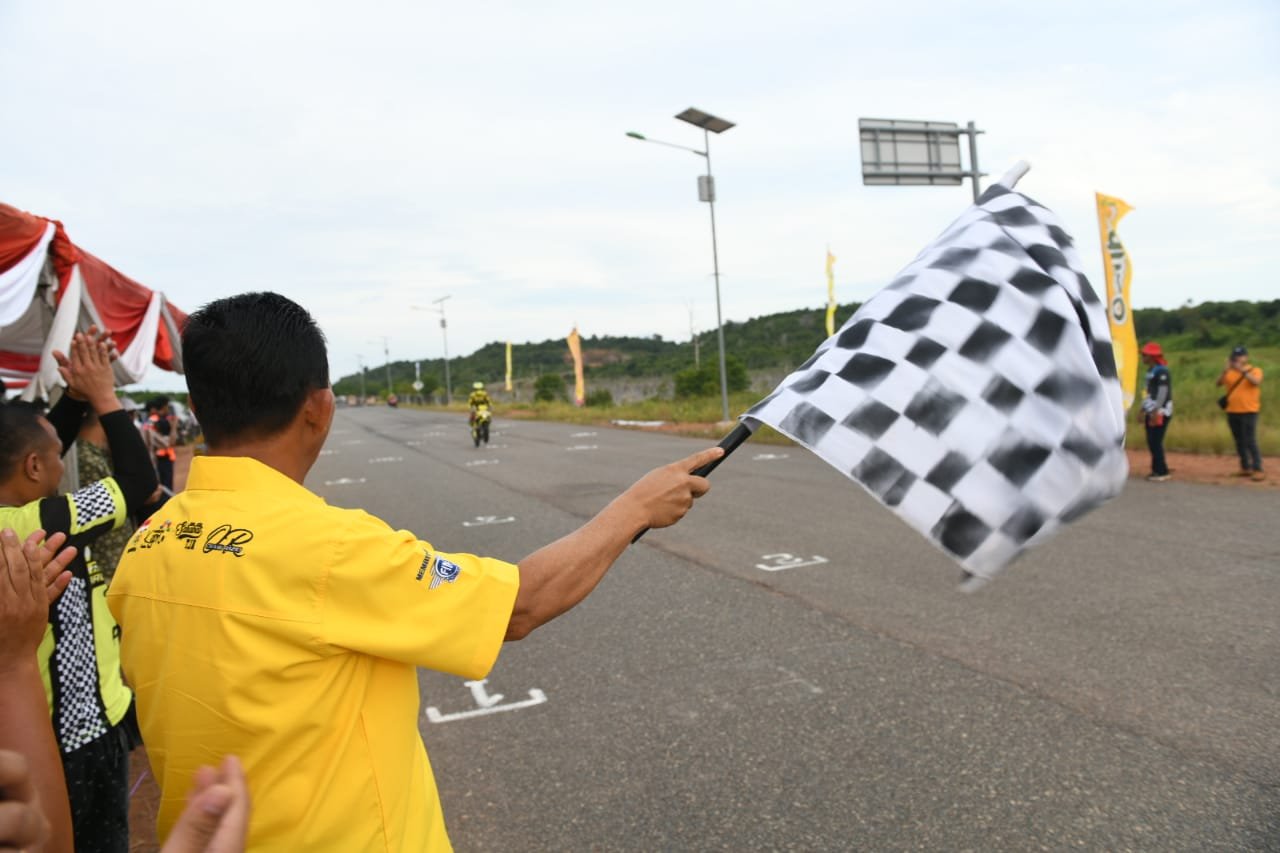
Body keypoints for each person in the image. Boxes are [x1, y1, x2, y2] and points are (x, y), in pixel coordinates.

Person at [107, 292, 720, 851]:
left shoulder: (146, 548)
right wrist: (635, 507)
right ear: (319, 408)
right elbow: (519, 604)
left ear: (198, 407)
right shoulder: (332, 549)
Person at [0, 330, 160, 852]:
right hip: (78, 738)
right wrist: (106, 399)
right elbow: (138, 483)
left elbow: (35, 449)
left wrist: (72, 399)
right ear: (33, 469)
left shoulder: (20, 515)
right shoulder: (40, 523)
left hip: (37, 728)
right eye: (52, 460)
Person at [2, 526, 250, 853]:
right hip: (90, 738)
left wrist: (14, 659)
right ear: (31, 470)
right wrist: (13, 661)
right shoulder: (49, 517)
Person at [1217, 345, 1265, 481]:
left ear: (1246, 357)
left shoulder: (1255, 370)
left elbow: (1256, 382)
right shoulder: (1229, 372)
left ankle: (1258, 468)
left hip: (1249, 410)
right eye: (1235, 357)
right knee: (1239, 440)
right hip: (1232, 410)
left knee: (1250, 440)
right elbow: (1218, 383)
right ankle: (1245, 467)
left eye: (1240, 356)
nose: (1237, 359)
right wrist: (1224, 371)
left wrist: (1242, 371)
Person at [1139, 341, 1173, 482]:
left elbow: (1162, 393)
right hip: (1151, 409)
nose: (1142, 357)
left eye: (1144, 355)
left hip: (1161, 411)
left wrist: (1155, 411)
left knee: (1156, 441)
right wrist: (1143, 409)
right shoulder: (1150, 371)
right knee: (1151, 441)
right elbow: (1147, 393)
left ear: (1152, 357)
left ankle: (1162, 471)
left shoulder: (1162, 371)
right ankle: (1156, 468)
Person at [143, 396, 177, 492]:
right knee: (165, 488)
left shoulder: (151, 422)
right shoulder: (152, 422)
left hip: (161, 457)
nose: (167, 409)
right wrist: (174, 426)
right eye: (166, 406)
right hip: (158, 460)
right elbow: (170, 442)